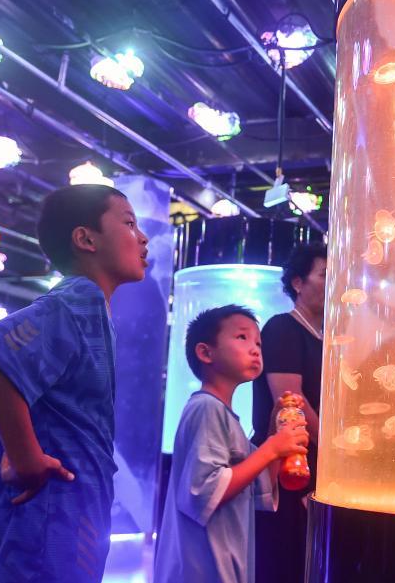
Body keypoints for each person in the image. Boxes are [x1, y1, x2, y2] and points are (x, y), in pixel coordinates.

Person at [0, 184, 149, 583]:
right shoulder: (82, 297)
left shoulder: (93, 309)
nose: (142, 237)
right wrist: (27, 458)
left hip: (64, 517)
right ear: (85, 239)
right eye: (128, 224)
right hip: (52, 521)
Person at [154, 305, 309, 583]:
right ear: (206, 353)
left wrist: (276, 432)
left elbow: (259, 485)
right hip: (201, 571)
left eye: (258, 343)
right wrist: (273, 447)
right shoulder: (206, 408)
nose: (255, 349)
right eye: (242, 337)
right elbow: (206, 490)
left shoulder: (226, 417)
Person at [252, 242, 326, 583]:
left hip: (315, 460)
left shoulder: (328, 337)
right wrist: (334, 448)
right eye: (324, 275)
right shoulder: (282, 328)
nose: (333, 284)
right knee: (284, 559)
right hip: (286, 463)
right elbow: (291, 401)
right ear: (298, 282)